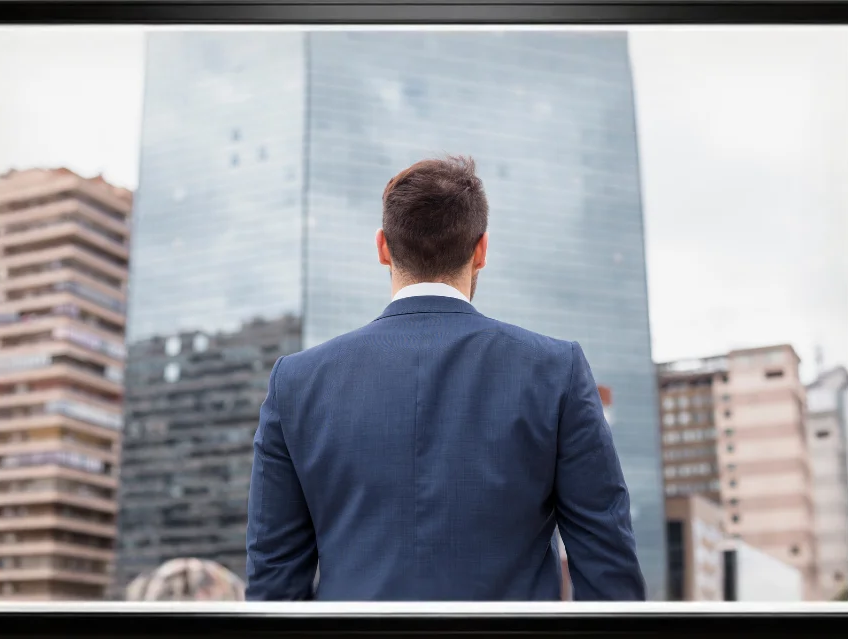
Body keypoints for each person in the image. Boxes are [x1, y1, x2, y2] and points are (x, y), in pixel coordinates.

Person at [246, 156, 646, 601]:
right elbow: (609, 571)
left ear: (382, 248)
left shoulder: (297, 383)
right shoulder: (556, 369)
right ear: (481, 251)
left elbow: (273, 586)